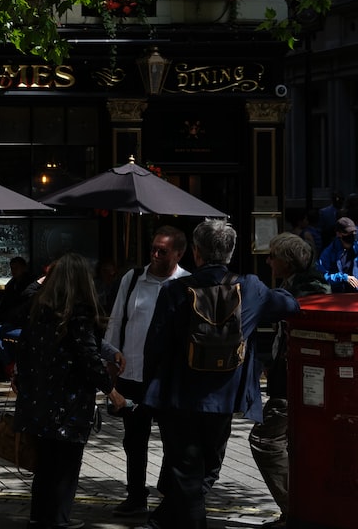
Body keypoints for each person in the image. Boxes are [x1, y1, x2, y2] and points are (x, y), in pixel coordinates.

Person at [140, 219, 300, 529]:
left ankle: (168, 521)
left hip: (179, 397)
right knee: (207, 469)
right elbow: (290, 306)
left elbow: (154, 347)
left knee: (187, 472)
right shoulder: (250, 287)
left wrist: (150, 394)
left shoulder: (175, 290)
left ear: (196, 252)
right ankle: (162, 521)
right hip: (224, 398)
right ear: (230, 252)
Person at [13, 252, 119, 529]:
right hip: (68, 404)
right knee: (66, 466)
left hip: (38, 400)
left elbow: (23, 350)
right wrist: (112, 391)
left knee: (45, 465)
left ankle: (39, 518)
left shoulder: (38, 308)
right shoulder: (79, 312)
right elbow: (89, 358)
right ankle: (58, 520)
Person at [103, 226, 189, 518]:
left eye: (162, 251)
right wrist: (110, 360)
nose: (154, 255)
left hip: (167, 379)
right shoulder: (133, 278)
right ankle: (136, 496)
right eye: (153, 248)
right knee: (134, 441)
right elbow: (116, 320)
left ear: (179, 254)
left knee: (172, 441)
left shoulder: (187, 283)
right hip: (132, 373)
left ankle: (169, 497)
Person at [250, 233, 329, 527]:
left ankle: (297, 510)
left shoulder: (308, 290)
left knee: (264, 441)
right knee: (292, 447)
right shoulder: (293, 285)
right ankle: (296, 511)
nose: (268, 261)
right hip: (290, 380)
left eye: (273, 256)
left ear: (288, 261)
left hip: (297, 384)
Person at [316, 216, 358, 292]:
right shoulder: (328, 253)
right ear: (338, 234)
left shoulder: (356, 247)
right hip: (338, 293)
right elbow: (322, 276)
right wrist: (343, 277)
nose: (351, 234)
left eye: (353, 232)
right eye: (347, 232)